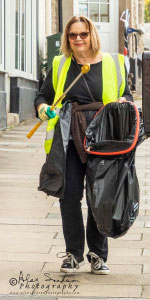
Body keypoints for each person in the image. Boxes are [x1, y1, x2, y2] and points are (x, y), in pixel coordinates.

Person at [34, 15, 133, 274]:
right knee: (69, 196)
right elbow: (43, 95)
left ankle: (98, 254)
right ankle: (73, 253)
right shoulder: (60, 64)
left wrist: (123, 102)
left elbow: (126, 95)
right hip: (68, 136)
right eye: (72, 35)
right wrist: (44, 109)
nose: (78, 39)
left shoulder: (113, 63)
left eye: (83, 34)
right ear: (67, 38)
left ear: (92, 36)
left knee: (99, 197)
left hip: (103, 136)